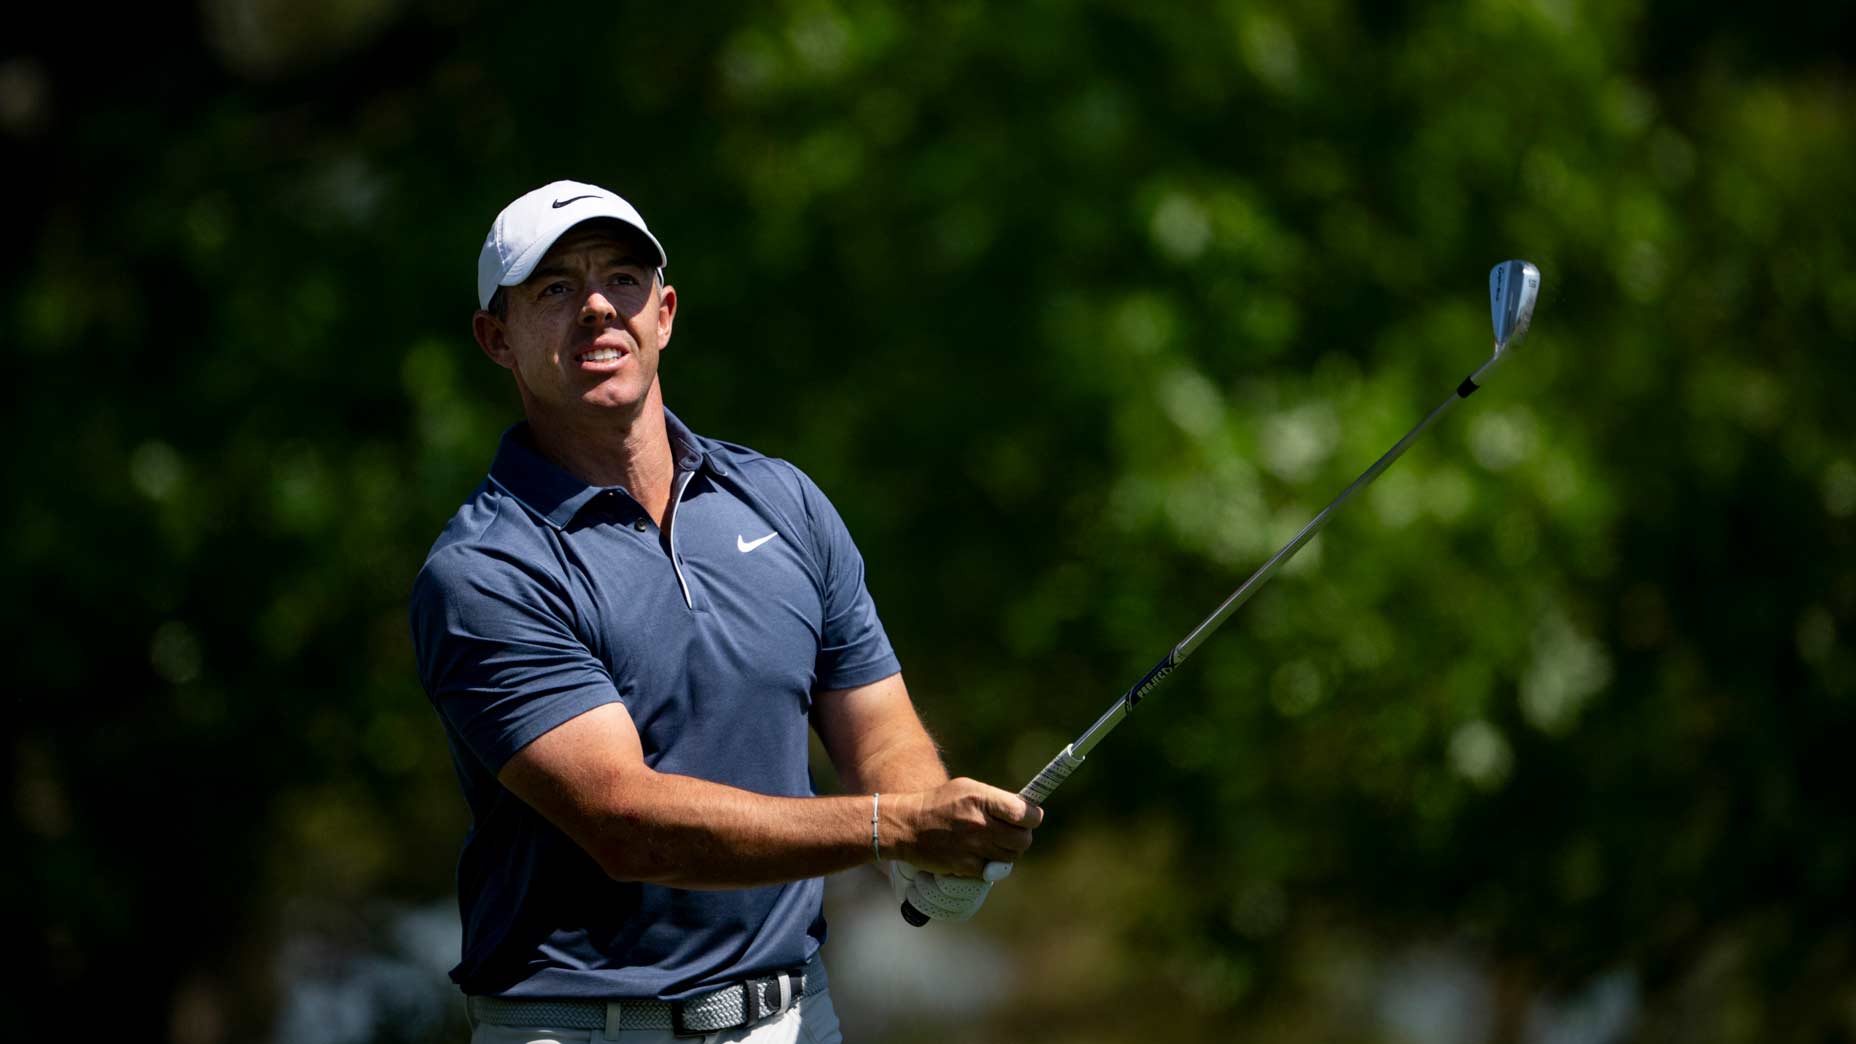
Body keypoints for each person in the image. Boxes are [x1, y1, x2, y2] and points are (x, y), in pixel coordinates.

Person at [409, 180, 1043, 1043]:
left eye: (623, 279)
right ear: (497, 339)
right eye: (555, 289)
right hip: (582, 1029)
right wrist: (892, 828)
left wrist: (932, 831)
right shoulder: (486, 571)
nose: (598, 307)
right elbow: (629, 826)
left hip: (794, 1016)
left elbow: (879, 726)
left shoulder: (782, 501)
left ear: (664, 313)